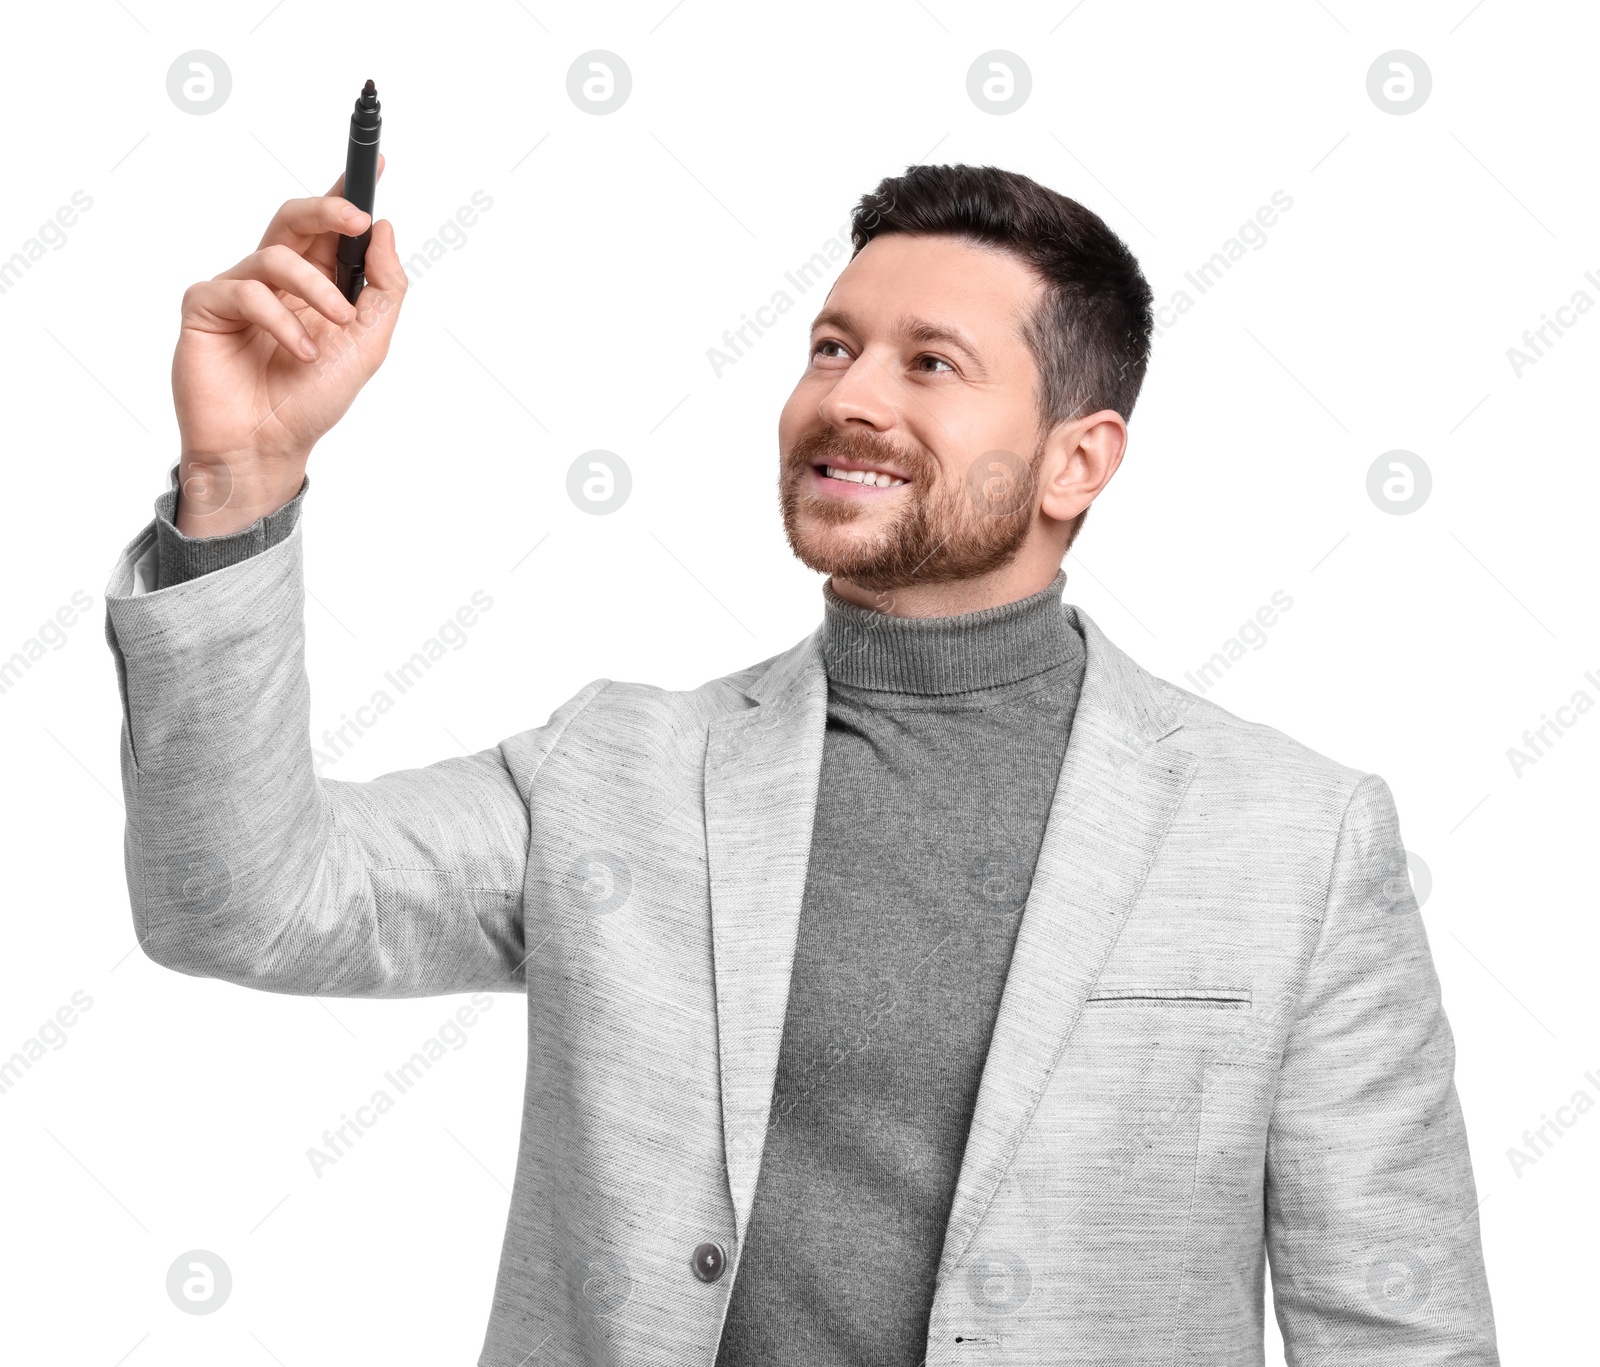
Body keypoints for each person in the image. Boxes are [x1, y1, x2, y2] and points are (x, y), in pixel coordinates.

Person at [103, 161, 1500, 1365]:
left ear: (1079, 461)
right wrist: (242, 474)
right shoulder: (618, 774)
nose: (851, 397)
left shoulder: (1294, 840)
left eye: (929, 363)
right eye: (832, 347)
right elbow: (241, 900)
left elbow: (1398, 1331)